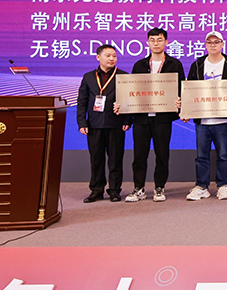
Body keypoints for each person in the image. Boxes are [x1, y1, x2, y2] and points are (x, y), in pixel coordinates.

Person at [122, 28, 185, 203]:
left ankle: (159, 187)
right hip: (141, 118)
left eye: (159, 39)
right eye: (152, 40)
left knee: (162, 154)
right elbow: (131, 91)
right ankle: (139, 188)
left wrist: (181, 105)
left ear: (166, 42)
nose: (156, 43)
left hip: (163, 118)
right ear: (148, 42)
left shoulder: (174, 64)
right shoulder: (139, 65)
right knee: (139, 155)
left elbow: (181, 89)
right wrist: (127, 117)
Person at [184, 31, 227, 202]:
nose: (213, 45)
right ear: (205, 45)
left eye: (216, 42)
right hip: (202, 119)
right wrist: (186, 110)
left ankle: (222, 186)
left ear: (222, 44)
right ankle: (201, 186)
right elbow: (190, 90)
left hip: (222, 119)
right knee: (201, 156)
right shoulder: (198, 64)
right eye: (209, 42)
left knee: (223, 155)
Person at [77, 46, 130, 203]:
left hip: (116, 124)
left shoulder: (123, 76)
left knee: (115, 159)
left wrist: (127, 120)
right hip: (94, 125)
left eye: (114, 55)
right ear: (98, 57)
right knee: (96, 160)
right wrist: (82, 122)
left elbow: (129, 100)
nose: (111, 58)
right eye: (108, 55)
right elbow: (82, 101)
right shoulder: (88, 77)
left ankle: (114, 190)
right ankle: (96, 190)